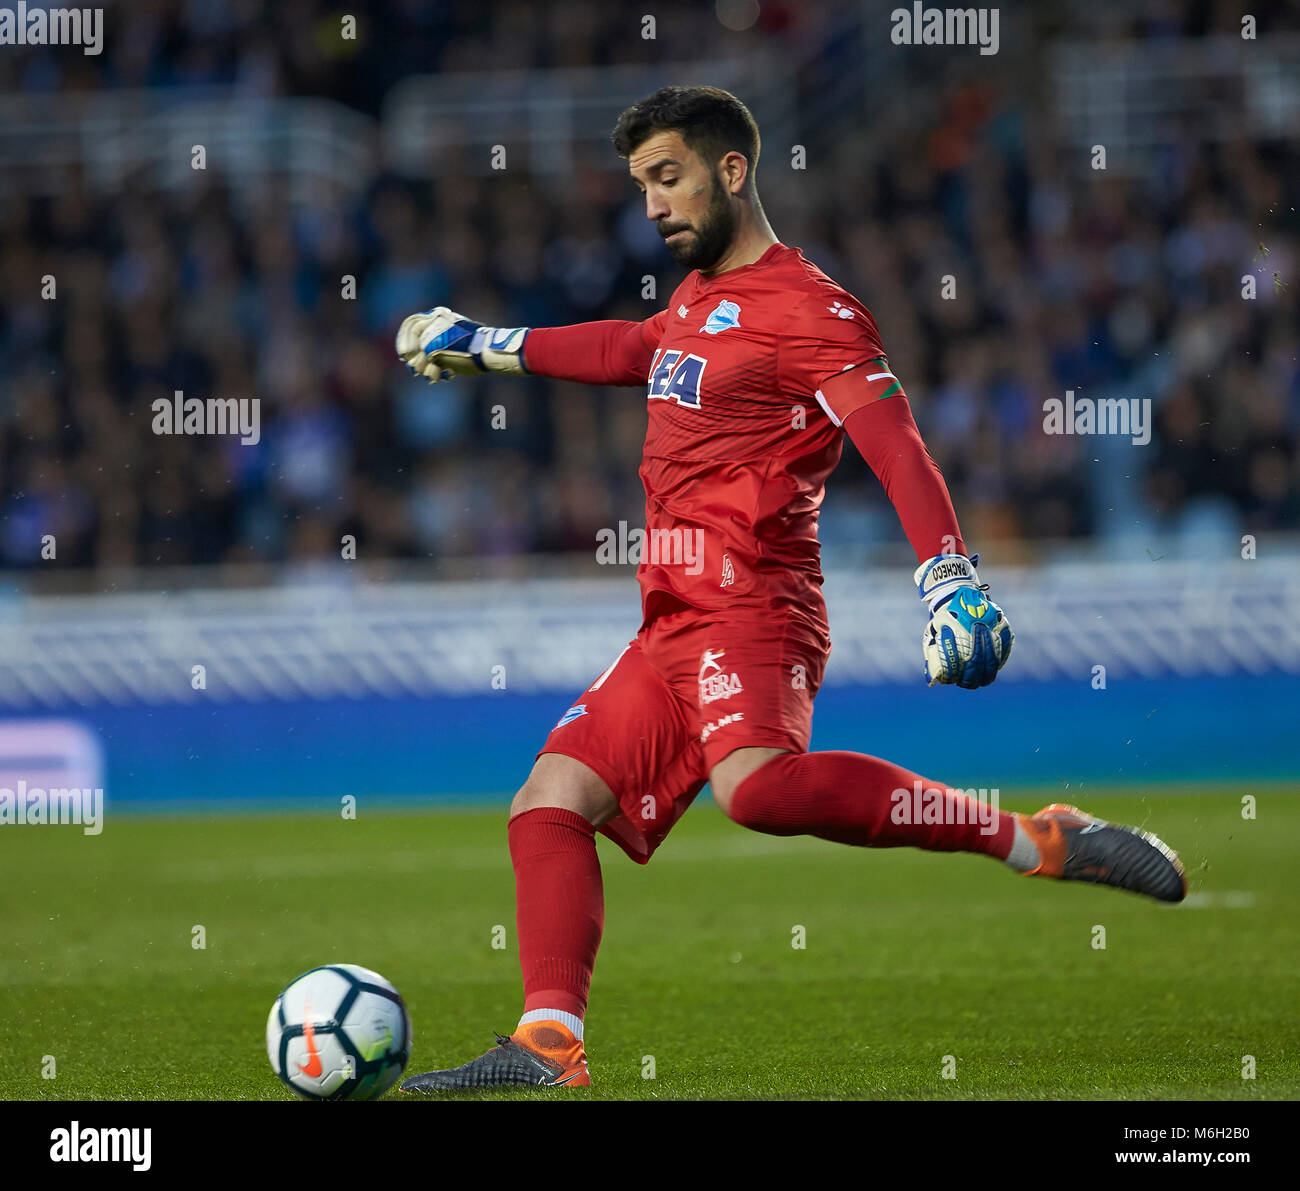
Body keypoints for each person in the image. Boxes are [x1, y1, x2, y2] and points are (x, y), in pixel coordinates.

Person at [393, 85, 1186, 1092]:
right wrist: (488, 346)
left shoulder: (809, 310)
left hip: (755, 606)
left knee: (758, 791)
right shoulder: (691, 303)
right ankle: (549, 1042)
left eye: (669, 177)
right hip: (670, 620)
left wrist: (946, 579)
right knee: (547, 803)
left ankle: (1037, 840)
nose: (653, 205)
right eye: (642, 186)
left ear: (732, 171)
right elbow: (627, 350)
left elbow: (894, 446)